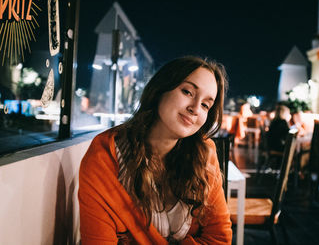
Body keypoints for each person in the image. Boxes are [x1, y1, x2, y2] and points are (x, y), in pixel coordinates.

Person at [78, 56, 232, 244]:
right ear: (160, 89)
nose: (195, 109)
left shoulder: (204, 153)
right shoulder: (105, 155)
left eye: (205, 105)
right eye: (188, 92)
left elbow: (219, 238)